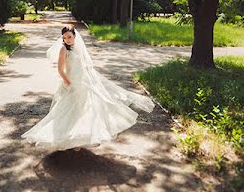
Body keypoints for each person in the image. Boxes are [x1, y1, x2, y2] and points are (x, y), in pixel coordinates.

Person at [21, 25, 155, 150]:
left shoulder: (77, 48)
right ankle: (64, 137)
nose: (67, 39)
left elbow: (84, 67)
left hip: (83, 83)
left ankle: (78, 138)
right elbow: (60, 70)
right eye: (65, 37)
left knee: (84, 110)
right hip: (71, 84)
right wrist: (68, 82)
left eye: (70, 37)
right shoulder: (64, 50)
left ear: (74, 37)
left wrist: (90, 80)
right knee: (68, 111)